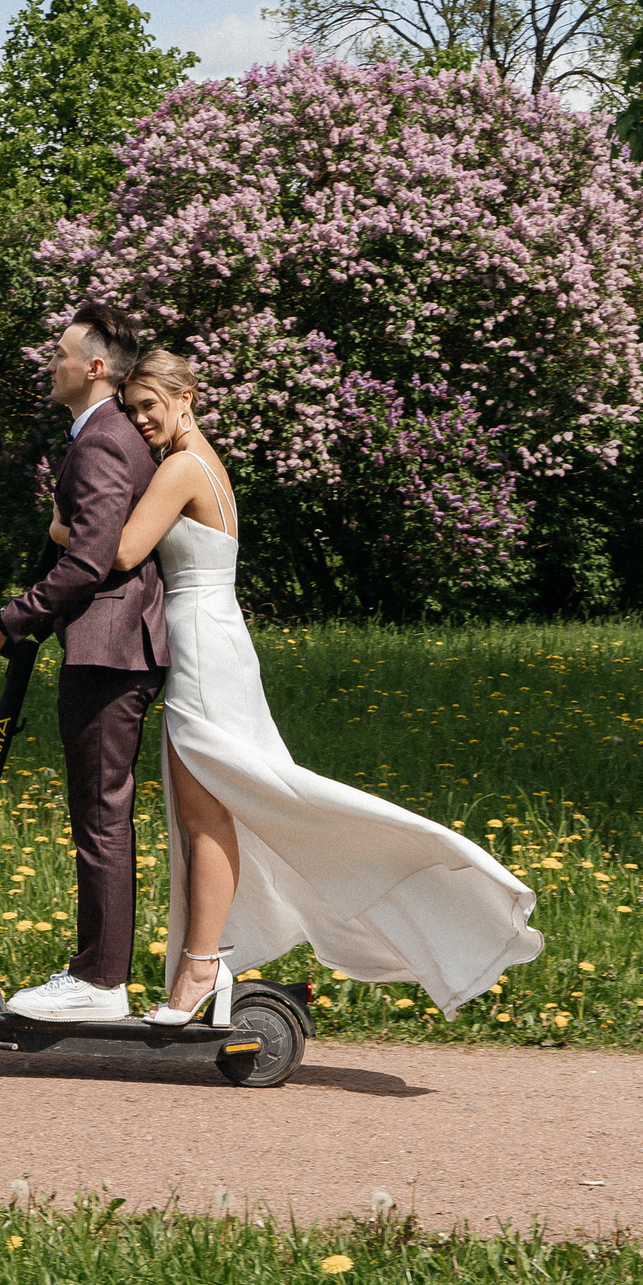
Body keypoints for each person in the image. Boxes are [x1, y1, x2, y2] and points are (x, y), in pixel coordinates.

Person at [100, 349, 544, 1026]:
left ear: (185, 396)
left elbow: (124, 549)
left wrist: (60, 524)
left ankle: (202, 966)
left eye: (149, 406)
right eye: (131, 410)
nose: (139, 419)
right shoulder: (201, 463)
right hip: (213, 641)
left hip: (206, 649)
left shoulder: (183, 466)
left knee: (208, 815)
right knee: (210, 815)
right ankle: (204, 962)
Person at [0, 301, 166, 1022]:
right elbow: (76, 547)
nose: (49, 361)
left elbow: (88, 560)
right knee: (98, 812)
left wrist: (10, 621)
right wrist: (21, 622)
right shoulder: (97, 434)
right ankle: (97, 973)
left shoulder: (104, 439)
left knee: (102, 815)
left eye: (60, 351)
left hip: (112, 650)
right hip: (103, 646)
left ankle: (101, 982)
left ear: (96, 366)